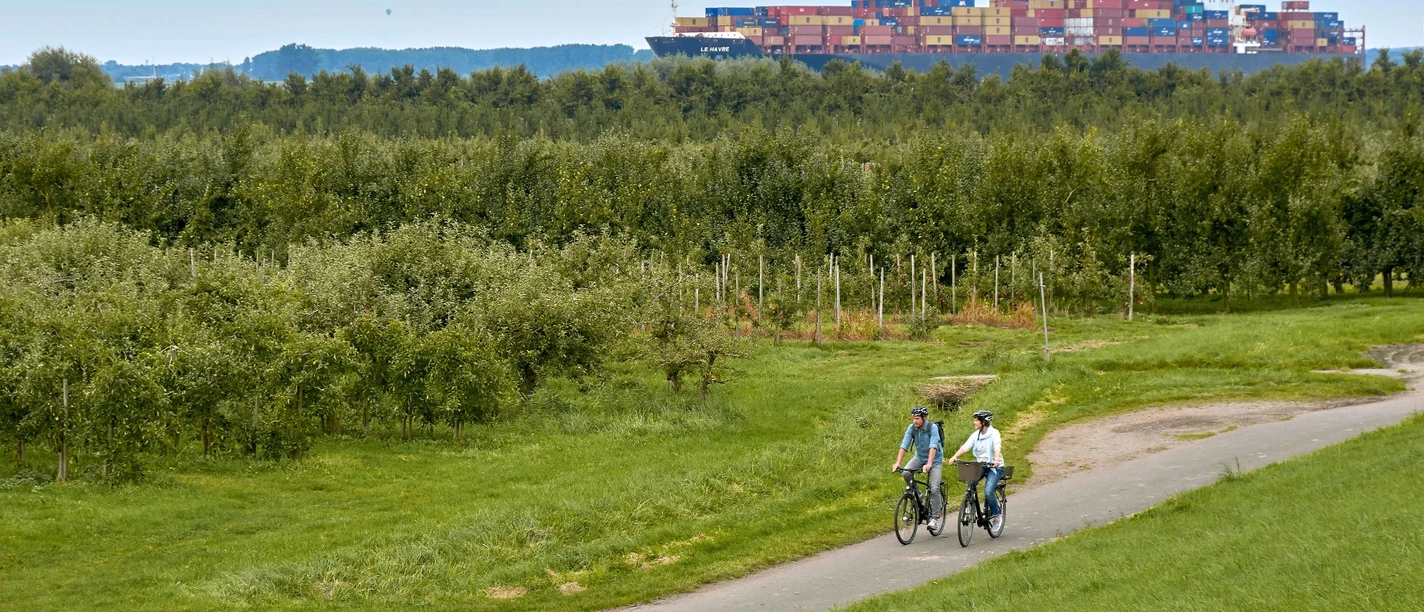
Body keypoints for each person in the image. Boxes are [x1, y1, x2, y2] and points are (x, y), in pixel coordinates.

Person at [949, 410, 1004, 530]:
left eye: (976, 420)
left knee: (988, 491)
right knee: (970, 482)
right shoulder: (976, 435)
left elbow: (997, 446)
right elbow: (966, 446)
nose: (974, 422)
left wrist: (996, 459)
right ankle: (970, 505)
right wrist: (955, 456)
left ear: (983, 422)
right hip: (981, 465)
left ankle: (996, 516)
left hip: (995, 467)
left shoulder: (994, 433)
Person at [891, 405, 943, 530]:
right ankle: (918, 494)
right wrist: (897, 463)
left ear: (924, 418)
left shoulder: (932, 428)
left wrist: (929, 464)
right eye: (914, 418)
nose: (915, 421)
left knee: (934, 487)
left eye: (917, 418)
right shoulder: (912, 428)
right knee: (906, 473)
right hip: (919, 458)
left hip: (935, 460)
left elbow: (933, 447)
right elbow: (904, 445)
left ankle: (934, 518)